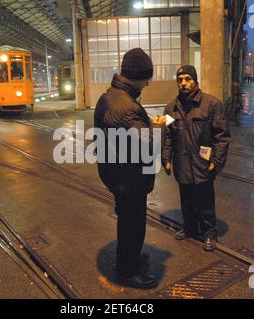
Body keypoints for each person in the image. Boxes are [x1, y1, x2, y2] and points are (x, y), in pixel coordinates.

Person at [94, 48, 166, 289]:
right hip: (128, 178)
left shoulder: (110, 96)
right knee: (132, 223)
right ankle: (127, 271)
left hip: (115, 171)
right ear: (138, 76)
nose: (148, 83)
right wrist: (157, 127)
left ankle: (131, 258)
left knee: (128, 220)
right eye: (147, 77)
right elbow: (149, 149)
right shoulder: (126, 108)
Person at [162, 65, 231, 251]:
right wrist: (166, 158)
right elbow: (168, 135)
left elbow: (222, 137)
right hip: (182, 163)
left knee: (205, 201)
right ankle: (190, 228)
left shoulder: (211, 104)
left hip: (203, 163)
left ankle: (209, 233)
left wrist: (215, 162)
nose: (183, 83)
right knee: (186, 199)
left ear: (195, 81)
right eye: (180, 79)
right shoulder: (170, 109)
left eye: (187, 79)